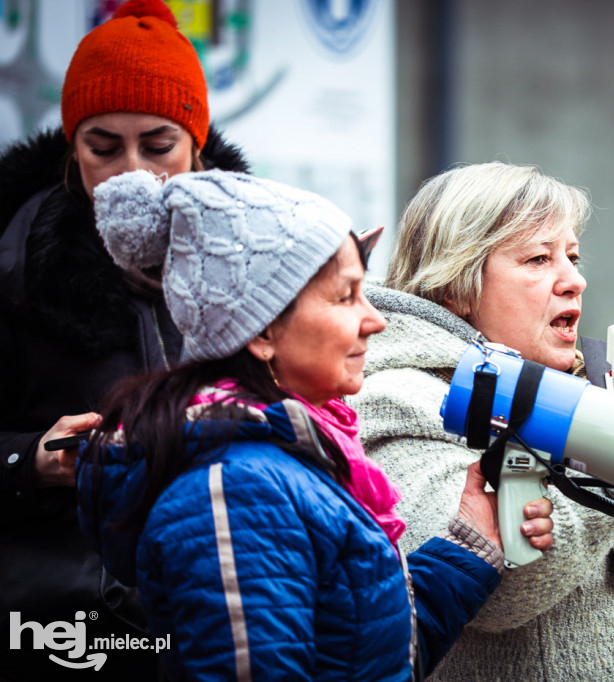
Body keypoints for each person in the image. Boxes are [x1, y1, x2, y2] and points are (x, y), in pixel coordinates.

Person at [76, 169, 555, 680]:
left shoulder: (300, 459)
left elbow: (371, 658)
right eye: (346, 296)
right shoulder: (238, 491)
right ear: (262, 330)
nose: (376, 320)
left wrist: (471, 541)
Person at [348, 161, 614, 681]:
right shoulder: (399, 399)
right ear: (457, 285)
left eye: (572, 256)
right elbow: (491, 589)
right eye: (538, 259)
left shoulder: (571, 391)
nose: (575, 280)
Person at [0, 1, 247, 678]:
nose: (131, 170)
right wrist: (31, 459)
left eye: (158, 145)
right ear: (70, 147)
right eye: (102, 148)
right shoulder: (14, 266)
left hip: (223, 610)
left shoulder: (256, 259)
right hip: (62, 627)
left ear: (197, 144)